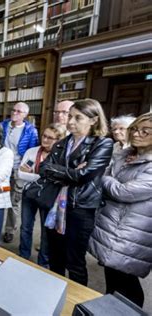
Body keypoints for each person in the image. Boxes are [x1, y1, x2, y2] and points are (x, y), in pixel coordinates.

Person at [40, 99, 113, 286]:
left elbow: (82, 176)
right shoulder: (62, 143)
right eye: (70, 116)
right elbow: (43, 169)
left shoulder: (103, 144)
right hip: (56, 206)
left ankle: (76, 304)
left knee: (75, 262)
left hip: (80, 209)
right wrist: (71, 173)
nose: (70, 121)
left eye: (77, 118)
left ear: (93, 120)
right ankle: (54, 292)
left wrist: (67, 172)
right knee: (55, 257)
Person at [89, 112, 152, 307]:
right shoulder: (125, 154)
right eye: (134, 129)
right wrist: (108, 177)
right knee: (113, 279)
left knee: (127, 284)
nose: (136, 134)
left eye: (145, 131)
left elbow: (123, 192)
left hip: (132, 230)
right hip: (114, 224)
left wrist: (104, 178)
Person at [18, 123, 67, 267]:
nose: (44, 140)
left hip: (49, 196)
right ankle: (23, 255)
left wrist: (32, 174)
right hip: (29, 194)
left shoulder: (62, 157)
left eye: (50, 138)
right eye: (44, 136)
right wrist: (42, 177)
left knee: (46, 232)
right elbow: (20, 174)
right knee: (26, 227)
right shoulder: (32, 151)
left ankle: (43, 263)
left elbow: (59, 179)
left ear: (58, 140)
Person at [1, 102, 39, 243]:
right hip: (2, 168)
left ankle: (10, 229)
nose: (15, 113)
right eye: (13, 110)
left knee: (13, 201)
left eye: (19, 111)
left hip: (18, 170)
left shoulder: (31, 131)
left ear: (25, 115)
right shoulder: (3, 125)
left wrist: (27, 167)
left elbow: (33, 153)